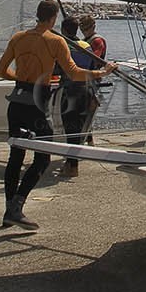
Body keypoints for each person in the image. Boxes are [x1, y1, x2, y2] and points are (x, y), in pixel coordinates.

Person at [0, 0, 116, 228]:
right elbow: (74, 72)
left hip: (16, 101)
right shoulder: (56, 41)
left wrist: (20, 79)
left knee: (15, 157)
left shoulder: (18, 38)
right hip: (37, 104)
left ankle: (9, 209)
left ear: (38, 15)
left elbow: (0, 70)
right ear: (52, 18)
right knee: (43, 157)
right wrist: (102, 72)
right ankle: (16, 207)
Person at [55, 14, 107, 177]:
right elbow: (92, 66)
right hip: (85, 88)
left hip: (71, 90)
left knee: (70, 128)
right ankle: (73, 161)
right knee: (78, 127)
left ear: (63, 30)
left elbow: (57, 68)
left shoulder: (63, 45)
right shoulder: (85, 44)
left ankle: (72, 165)